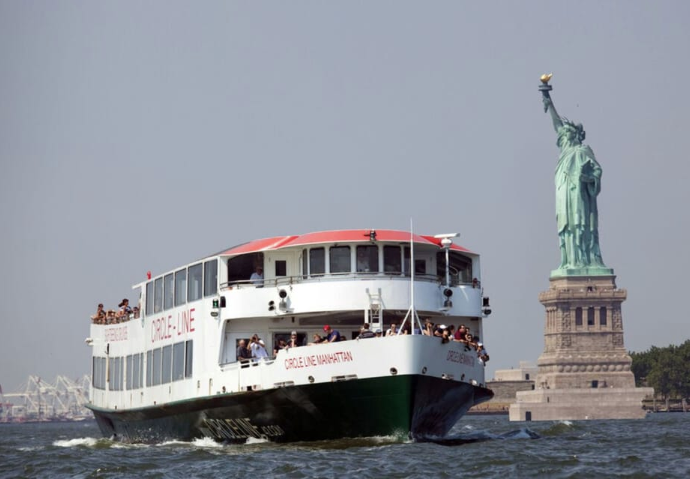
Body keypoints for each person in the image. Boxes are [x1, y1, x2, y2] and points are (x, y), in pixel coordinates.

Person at [543, 91, 606, 270]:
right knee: (567, 228)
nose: (562, 136)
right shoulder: (565, 152)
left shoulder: (582, 151)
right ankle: (570, 261)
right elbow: (557, 125)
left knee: (580, 226)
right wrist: (549, 102)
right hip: (564, 197)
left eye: (566, 133)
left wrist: (586, 178)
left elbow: (597, 172)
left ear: (575, 135)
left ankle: (584, 260)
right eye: (562, 135)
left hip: (579, 199)